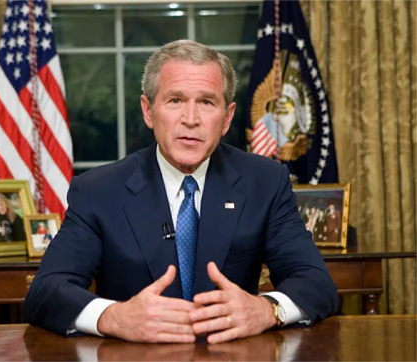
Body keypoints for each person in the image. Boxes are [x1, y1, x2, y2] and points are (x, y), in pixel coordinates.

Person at [24, 39, 338, 344]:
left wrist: (268, 309)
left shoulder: (265, 182)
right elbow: (46, 291)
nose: (191, 119)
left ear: (227, 118)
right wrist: (113, 316)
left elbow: (317, 284)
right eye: (175, 100)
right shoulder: (98, 190)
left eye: (206, 102)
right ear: (148, 111)